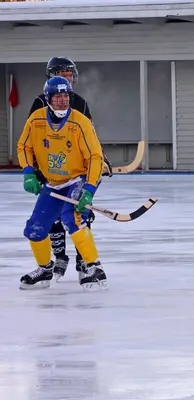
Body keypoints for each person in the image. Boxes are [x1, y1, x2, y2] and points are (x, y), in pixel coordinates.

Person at [17, 76, 107, 291]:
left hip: (78, 179)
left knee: (72, 218)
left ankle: (94, 268)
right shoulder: (36, 120)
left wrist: (89, 190)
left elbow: (96, 157)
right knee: (35, 228)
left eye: (65, 96)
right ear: (48, 98)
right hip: (54, 182)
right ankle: (45, 268)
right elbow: (24, 146)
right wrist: (29, 172)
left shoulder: (80, 122)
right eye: (57, 96)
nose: (62, 101)